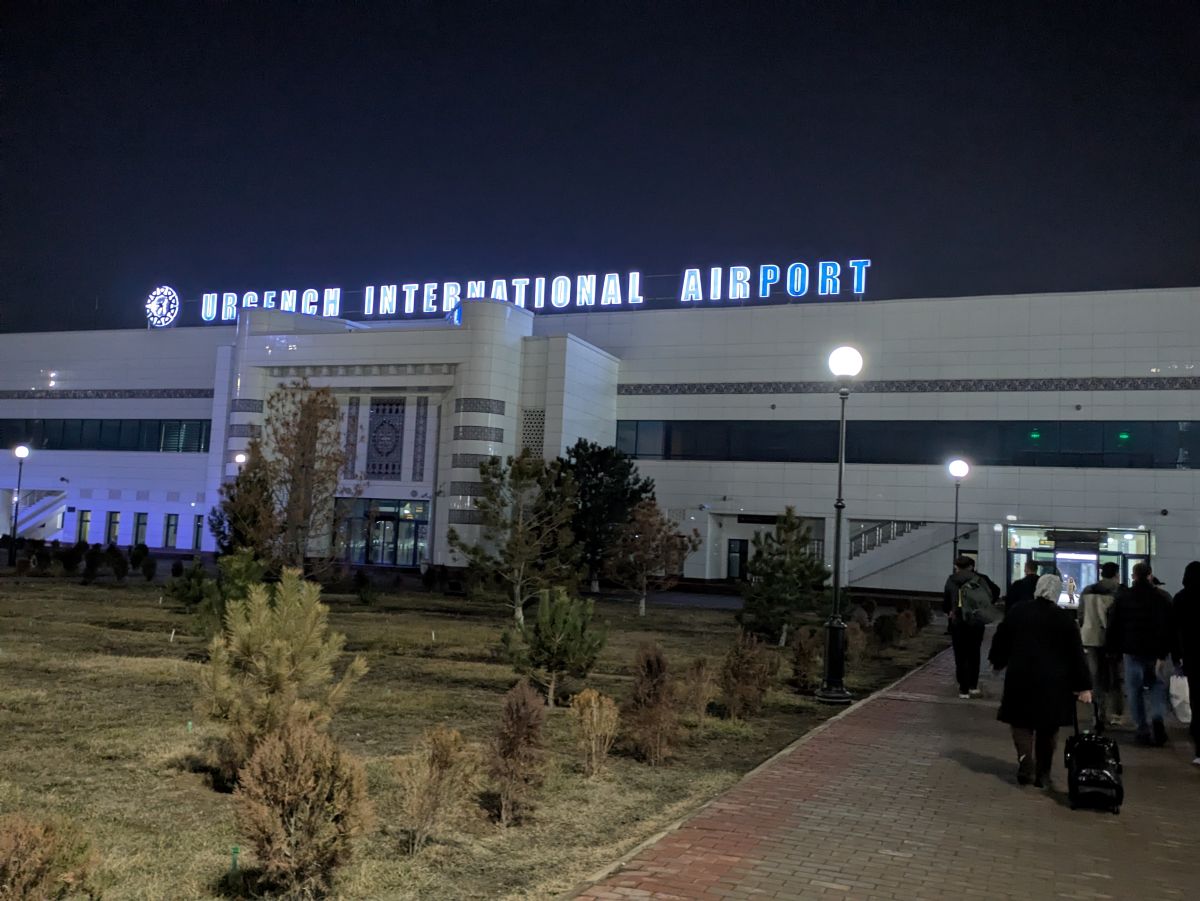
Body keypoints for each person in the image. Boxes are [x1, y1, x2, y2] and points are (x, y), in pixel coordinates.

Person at [989, 573, 1092, 788]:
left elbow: (1002, 637)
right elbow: (1075, 654)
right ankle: (1043, 773)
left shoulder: (1018, 611)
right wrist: (1083, 686)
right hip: (1054, 681)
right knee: (1048, 727)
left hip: (1020, 676)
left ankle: (1025, 760)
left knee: (1020, 722)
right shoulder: (1064, 618)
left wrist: (997, 662)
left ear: (1037, 589)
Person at [1107, 561, 1174, 746]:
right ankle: (1157, 717)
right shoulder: (1162, 597)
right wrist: (1165, 652)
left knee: (1134, 690)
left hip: (1132, 650)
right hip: (1156, 652)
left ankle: (1142, 729)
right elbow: (1170, 627)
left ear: (1133, 576)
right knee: (1157, 687)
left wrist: (1112, 649)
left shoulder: (1123, 597)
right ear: (1150, 575)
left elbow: (1114, 625)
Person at [943, 556, 1000, 699]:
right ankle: (973, 686)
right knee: (974, 653)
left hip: (958, 621)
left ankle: (963, 689)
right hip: (976, 621)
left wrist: (950, 610)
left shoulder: (951, 580)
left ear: (957, 567)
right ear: (971, 566)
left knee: (960, 654)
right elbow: (995, 591)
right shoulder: (981, 579)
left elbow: (946, 600)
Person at [1077, 562, 1120, 732]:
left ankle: (1098, 714)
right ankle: (1116, 714)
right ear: (1116, 574)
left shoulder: (1088, 590)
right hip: (1112, 640)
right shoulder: (1119, 592)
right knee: (1114, 677)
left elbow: (1081, 615)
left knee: (1095, 678)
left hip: (1091, 638)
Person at [1172, 561, 1200, 766]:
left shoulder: (1181, 598)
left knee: (1196, 700)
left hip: (1192, 656)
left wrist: (1176, 656)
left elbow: (1174, 630)